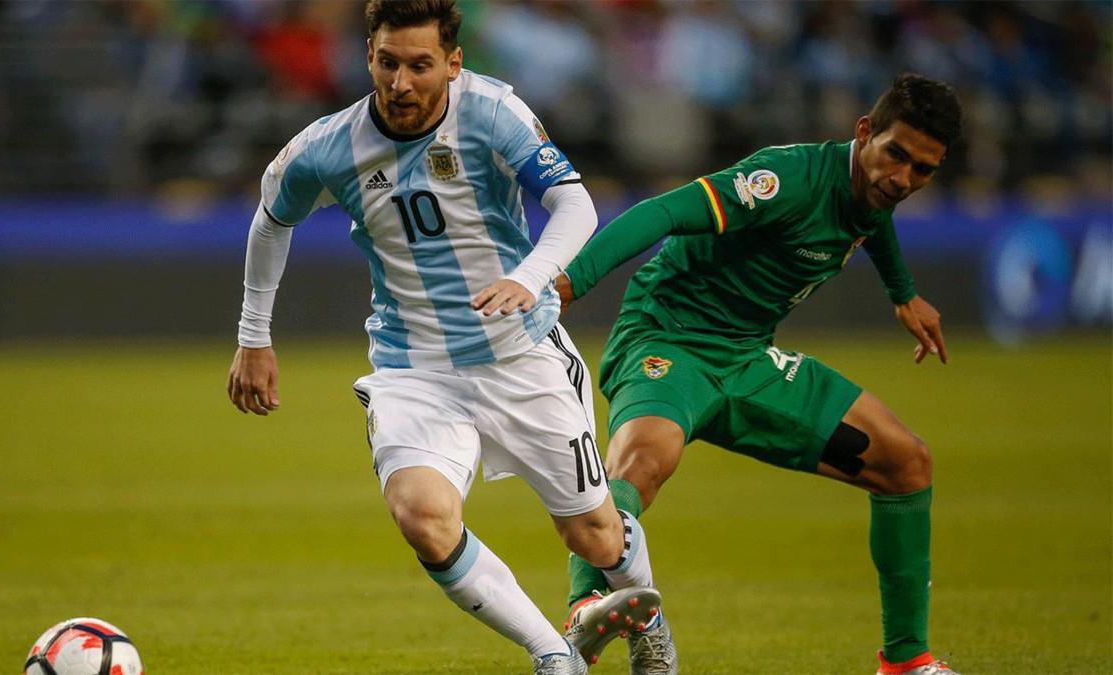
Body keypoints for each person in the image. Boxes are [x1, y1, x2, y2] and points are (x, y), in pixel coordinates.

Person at [225, 2, 662, 672]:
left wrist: (531, 276)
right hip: (413, 368)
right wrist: (254, 335)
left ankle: (650, 629)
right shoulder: (328, 145)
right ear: (369, 54)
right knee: (423, 516)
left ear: (453, 64)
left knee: (595, 535)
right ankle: (553, 653)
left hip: (519, 353)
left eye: (420, 65)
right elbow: (269, 219)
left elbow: (575, 202)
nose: (401, 82)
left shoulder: (492, 113)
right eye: (387, 62)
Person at [559, 73, 963, 675]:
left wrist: (902, 293)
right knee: (645, 459)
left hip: (749, 360)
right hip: (666, 337)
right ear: (863, 134)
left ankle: (905, 662)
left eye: (923, 170)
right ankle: (586, 606)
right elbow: (664, 210)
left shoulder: (872, 190)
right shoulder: (786, 181)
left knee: (907, 463)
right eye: (895, 155)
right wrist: (571, 280)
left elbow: (872, 220)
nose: (903, 179)